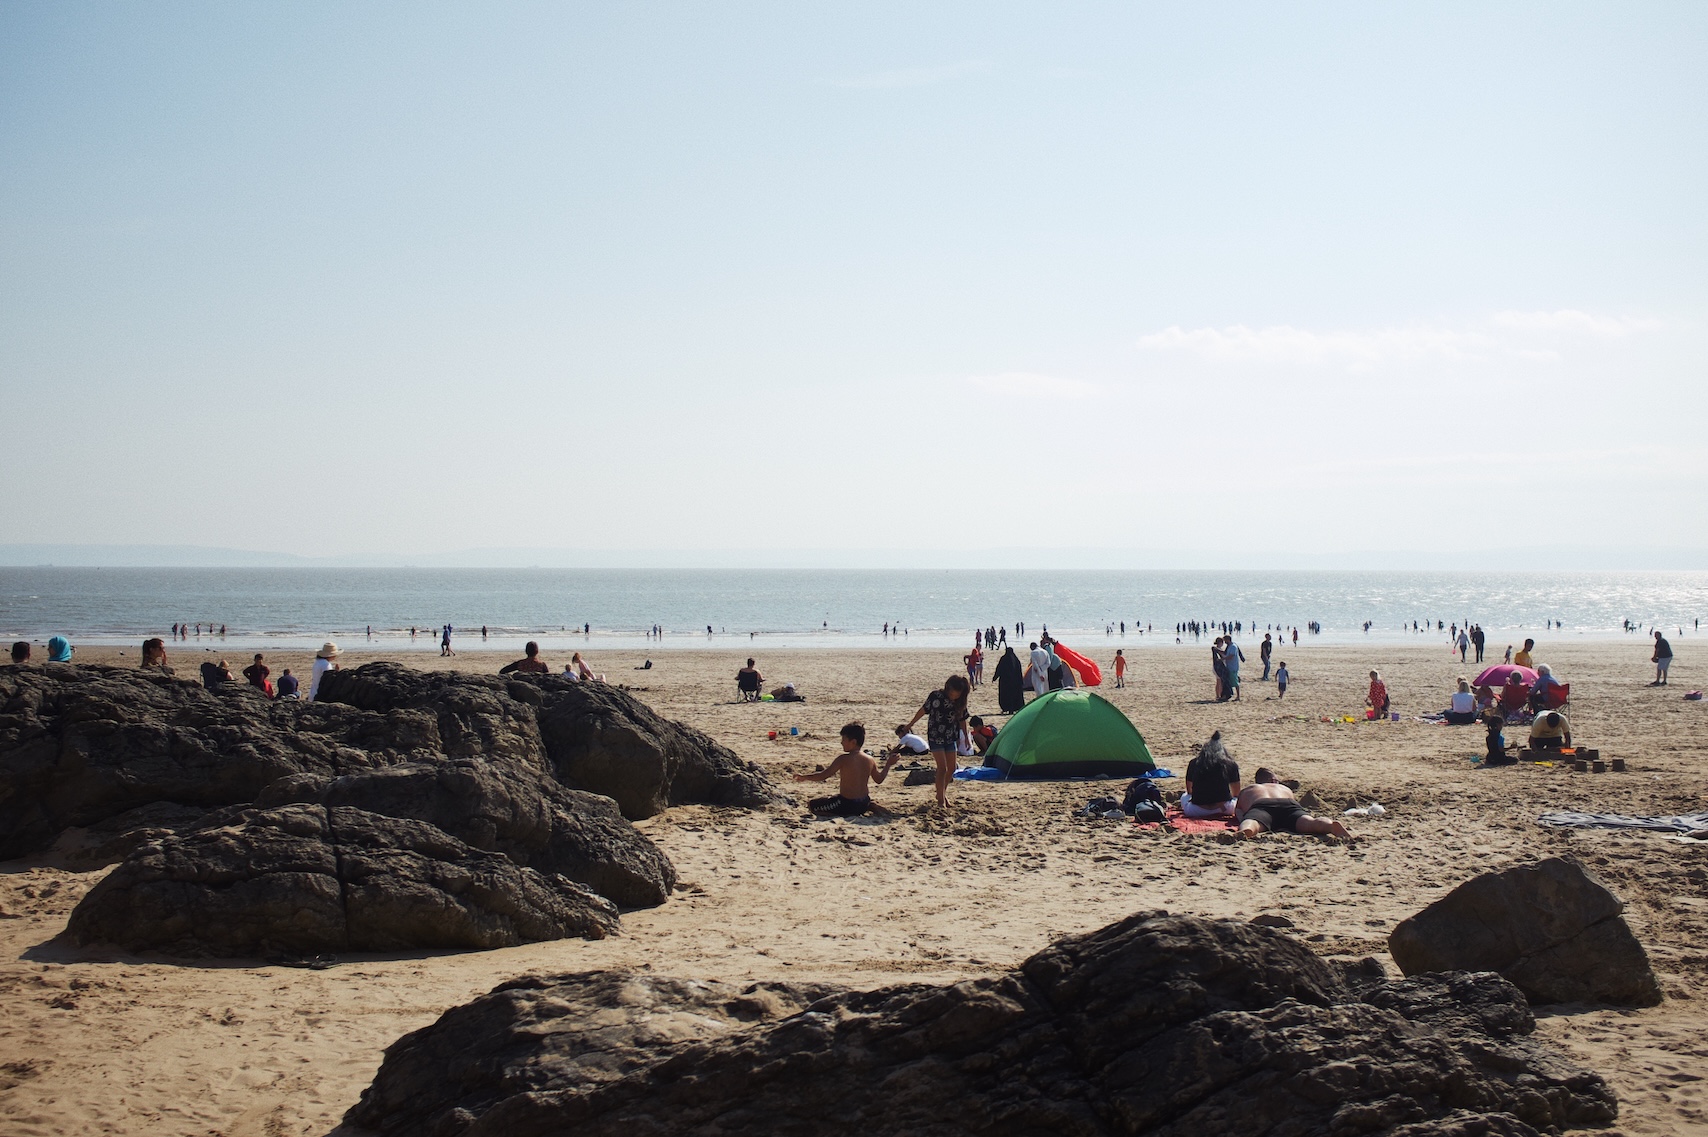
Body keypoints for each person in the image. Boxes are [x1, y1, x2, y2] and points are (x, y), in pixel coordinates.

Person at [794, 722, 897, 817]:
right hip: (864, 802)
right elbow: (879, 780)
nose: (841, 743)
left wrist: (805, 777)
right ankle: (869, 806)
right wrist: (888, 764)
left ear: (853, 742)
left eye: (843, 739)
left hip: (848, 804)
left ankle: (838, 815)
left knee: (812, 805)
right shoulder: (870, 759)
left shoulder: (843, 759)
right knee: (835, 799)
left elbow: (824, 775)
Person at [901, 675, 971, 808]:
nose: (953, 697)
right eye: (951, 693)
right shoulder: (935, 696)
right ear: (947, 687)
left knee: (951, 769)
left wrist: (966, 738)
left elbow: (962, 720)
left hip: (951, 737)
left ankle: (941, 794)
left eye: (956, 695)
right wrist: (910, 724)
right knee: (942, 768)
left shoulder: (960, 702)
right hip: (935, 735)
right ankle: (941, 801)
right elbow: (923, 710)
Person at [1235, 769, 1350, 840]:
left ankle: (1247, 830)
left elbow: (1239, 810)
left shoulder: (1249, 789)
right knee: (1310, 822)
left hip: (1262, 804)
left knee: (1253, 822)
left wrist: (1244, 819)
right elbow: (1295, 805)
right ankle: (1330, 825)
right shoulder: (1283, 788)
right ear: (1274, 780)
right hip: (1288, 804)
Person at [1182, 732, 1241, 818]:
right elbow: (1236, 793)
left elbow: (1189, 790)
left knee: (1185, 796)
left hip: (1196, 810)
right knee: (1237, 800)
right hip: (1224, 809)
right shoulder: (1230, 764)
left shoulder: (1195, 763)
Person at [993, 646, 1025, 713]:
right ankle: (1013, 709)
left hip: (1005, 682)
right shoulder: (1016, 660)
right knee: (1014, 695)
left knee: (1006, 695)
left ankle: (1006, 708)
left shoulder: (1004, 659)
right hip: (1015, 683)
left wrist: (995, 677)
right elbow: (1019, 672)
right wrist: (1021, 682)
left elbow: (999, 669)